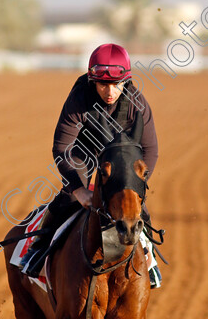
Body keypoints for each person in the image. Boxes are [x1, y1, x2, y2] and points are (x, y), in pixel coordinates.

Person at [21, 42, 162, 287]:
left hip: (121, 157)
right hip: (82, 153)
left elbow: (150, 150)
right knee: (70, 199)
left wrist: (134, 185)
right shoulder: (78, 99)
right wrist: (78, 189)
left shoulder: (137, 102)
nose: (110, 92)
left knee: (137, 210)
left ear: (125, 82)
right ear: (92, 81)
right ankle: (39, 248)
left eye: (116, 85)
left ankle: (149, 262)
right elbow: (62, 148)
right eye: (102, 84)